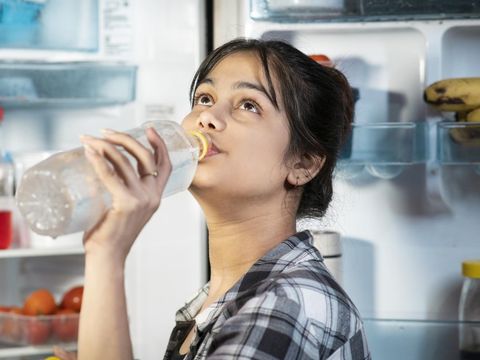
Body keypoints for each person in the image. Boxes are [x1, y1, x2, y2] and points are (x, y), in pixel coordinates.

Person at [54, 38, 370, 360]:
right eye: (205, 98)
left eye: (249, 105)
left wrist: (108, 255)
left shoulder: (286, 305)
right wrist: (102, 250)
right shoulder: (224, 299)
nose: (207, 117)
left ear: (302, 164)